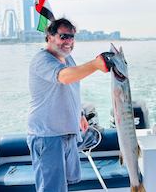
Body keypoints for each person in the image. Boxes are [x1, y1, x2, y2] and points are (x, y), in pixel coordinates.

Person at [27, 18, 114, 192]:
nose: (69, 41)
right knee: (51, 188)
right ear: (50, 37)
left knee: (64, 185)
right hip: (48, 136)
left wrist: (80, 114)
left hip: (68, 134)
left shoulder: (68, 59)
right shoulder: (42, 60)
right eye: (63, 36)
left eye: (72, 37)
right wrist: (96, 64)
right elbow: (64, 77)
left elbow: (72, 89)